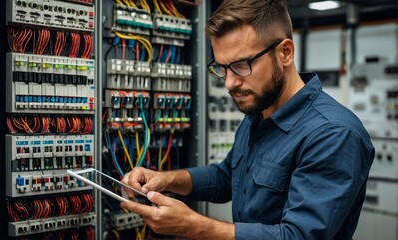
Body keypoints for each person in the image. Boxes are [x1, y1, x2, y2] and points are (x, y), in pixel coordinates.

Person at [121, 0, 375, 239]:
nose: (230, 83)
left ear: (284, 52)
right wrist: (165, 179)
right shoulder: (259, 113)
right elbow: (225, 178)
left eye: (242, 65)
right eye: (222, 68)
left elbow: (298, 235)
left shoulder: (333, 134)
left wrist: (195, 226)